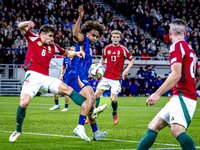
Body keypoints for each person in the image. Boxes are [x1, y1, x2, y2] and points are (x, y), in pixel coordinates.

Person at [9, 20, 103, 143]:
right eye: (50, 36)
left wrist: (76, 53)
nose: (52, 38)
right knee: (23, 104)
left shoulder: (53, 46)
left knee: (68, 89)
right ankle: (18, 130)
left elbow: (67, 53)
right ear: (42, 34)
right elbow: (20, 26)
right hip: (32, 76)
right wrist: (27, 23)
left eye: (53, 36)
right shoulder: (33, 38)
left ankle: (90, 110)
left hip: (46, 78)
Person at [136, 19, 199, 150]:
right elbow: (198, 74)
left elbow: (176, 74)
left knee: (176, 130)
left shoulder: (176, 46)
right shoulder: (191, 49)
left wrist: (157, 94)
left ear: (170, 32)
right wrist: (193, 88)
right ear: (185, 32)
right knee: (153, 126)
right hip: (183, 95)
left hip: (183, 96)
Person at [65, 6, 107, 142]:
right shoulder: (84, 41)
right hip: (75, 76)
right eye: (93, 35)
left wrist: (93, 73)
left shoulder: (90, 49)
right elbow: (75, 33)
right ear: (87, 33)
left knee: (90, 102)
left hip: (81, 76)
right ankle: (79, 127)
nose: (94, 38)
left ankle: (95, 132)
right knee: (91, 98)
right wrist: (80, 17)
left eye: (97, 36)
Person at [95, 30, 135, 125]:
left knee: (113, 99)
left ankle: (114, 112)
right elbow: (102, 59)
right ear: (111, 38)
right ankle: (94, 113)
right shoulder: (106, 49)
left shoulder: (123, 49)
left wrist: (126, 70)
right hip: (106, 76)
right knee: (96, 95)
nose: (115, 39)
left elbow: (132, 60)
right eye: (114, 37)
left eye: (117, 37)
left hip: (116, 78)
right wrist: (98, 69)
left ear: (120, 39)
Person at [49, 47, 75, 111]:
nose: (71, 51)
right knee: (55, 88)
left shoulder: (77, 59)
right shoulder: (66, 58)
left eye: (73, 50)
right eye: (70, 50)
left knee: (67, 92)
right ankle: (56, 105)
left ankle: (66, 107)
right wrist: (61, 75)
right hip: (65, 76)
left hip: (72, 77)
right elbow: (63, 67)